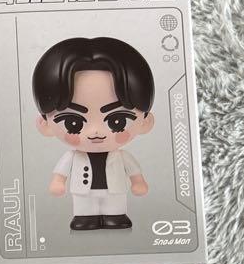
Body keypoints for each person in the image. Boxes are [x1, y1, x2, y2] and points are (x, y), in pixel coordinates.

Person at [32, 37, 155, 230]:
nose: (95, 131)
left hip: (115, 192)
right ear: (44, 124)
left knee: (115, 207)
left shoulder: (121, 156)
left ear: (145, 122)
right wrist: (58, 182)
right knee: (84, 209)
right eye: (73, 123)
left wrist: (138, 182)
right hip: (83, 193)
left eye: (117, 121)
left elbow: (134, 171)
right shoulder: (72, 156)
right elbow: (61, 172)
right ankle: (84, 218)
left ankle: (116, 216)